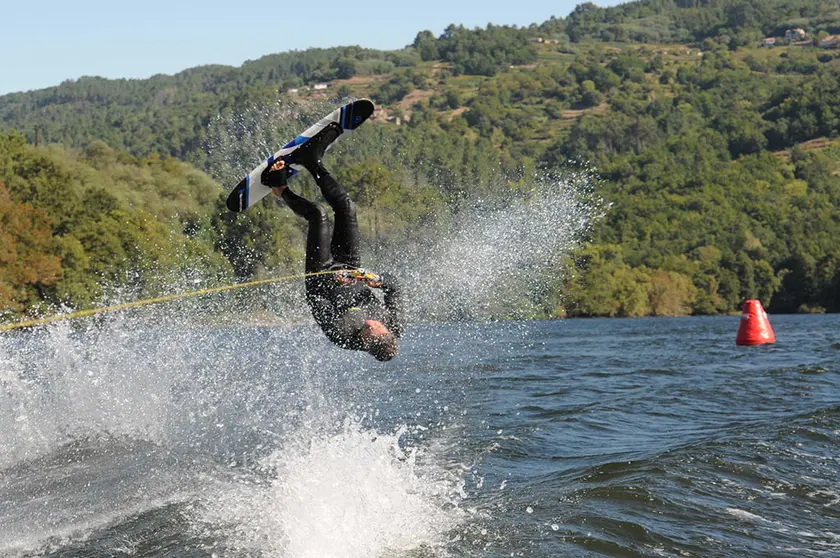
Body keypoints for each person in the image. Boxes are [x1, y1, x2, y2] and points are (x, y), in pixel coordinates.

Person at [260, 123, 402, 361]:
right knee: (347, 207)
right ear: (388, 332)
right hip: (352, 266)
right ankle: (312, 160)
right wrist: (378, 280)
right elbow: (394, 287)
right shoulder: (395, 326)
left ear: (366, 343)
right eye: (378, 325)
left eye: (369, 331)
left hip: (322, 274)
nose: (371, 323)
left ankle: (279, 187)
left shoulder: (342, 335)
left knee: (318, 214)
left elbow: (315, 300)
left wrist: (331, 279)